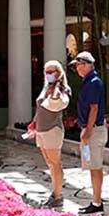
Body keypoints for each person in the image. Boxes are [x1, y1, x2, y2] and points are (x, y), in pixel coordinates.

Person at [72, 51, 107, 214]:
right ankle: (96, 199)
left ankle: (97, 202)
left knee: (95, 166)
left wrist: (88, 131)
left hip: (93, 130)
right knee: (93, 166)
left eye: (78, 65)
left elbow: (94, 108)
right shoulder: (90, 81)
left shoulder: (93, 82)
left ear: (86, 65)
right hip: (91, 129)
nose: (77, 68)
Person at [33, 60, 71, 208]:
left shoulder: (63, 89)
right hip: (41, 130)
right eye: (46, 71)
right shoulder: (45, 87)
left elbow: (56, 102)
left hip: (52, 130)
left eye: (52, 71)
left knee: (55, 163)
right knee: (50, 163)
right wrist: (34, 122)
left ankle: (57, 195)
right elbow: (41, 106)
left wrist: (57, 85)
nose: (48, 74)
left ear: (58, 72)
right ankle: (55, 192)